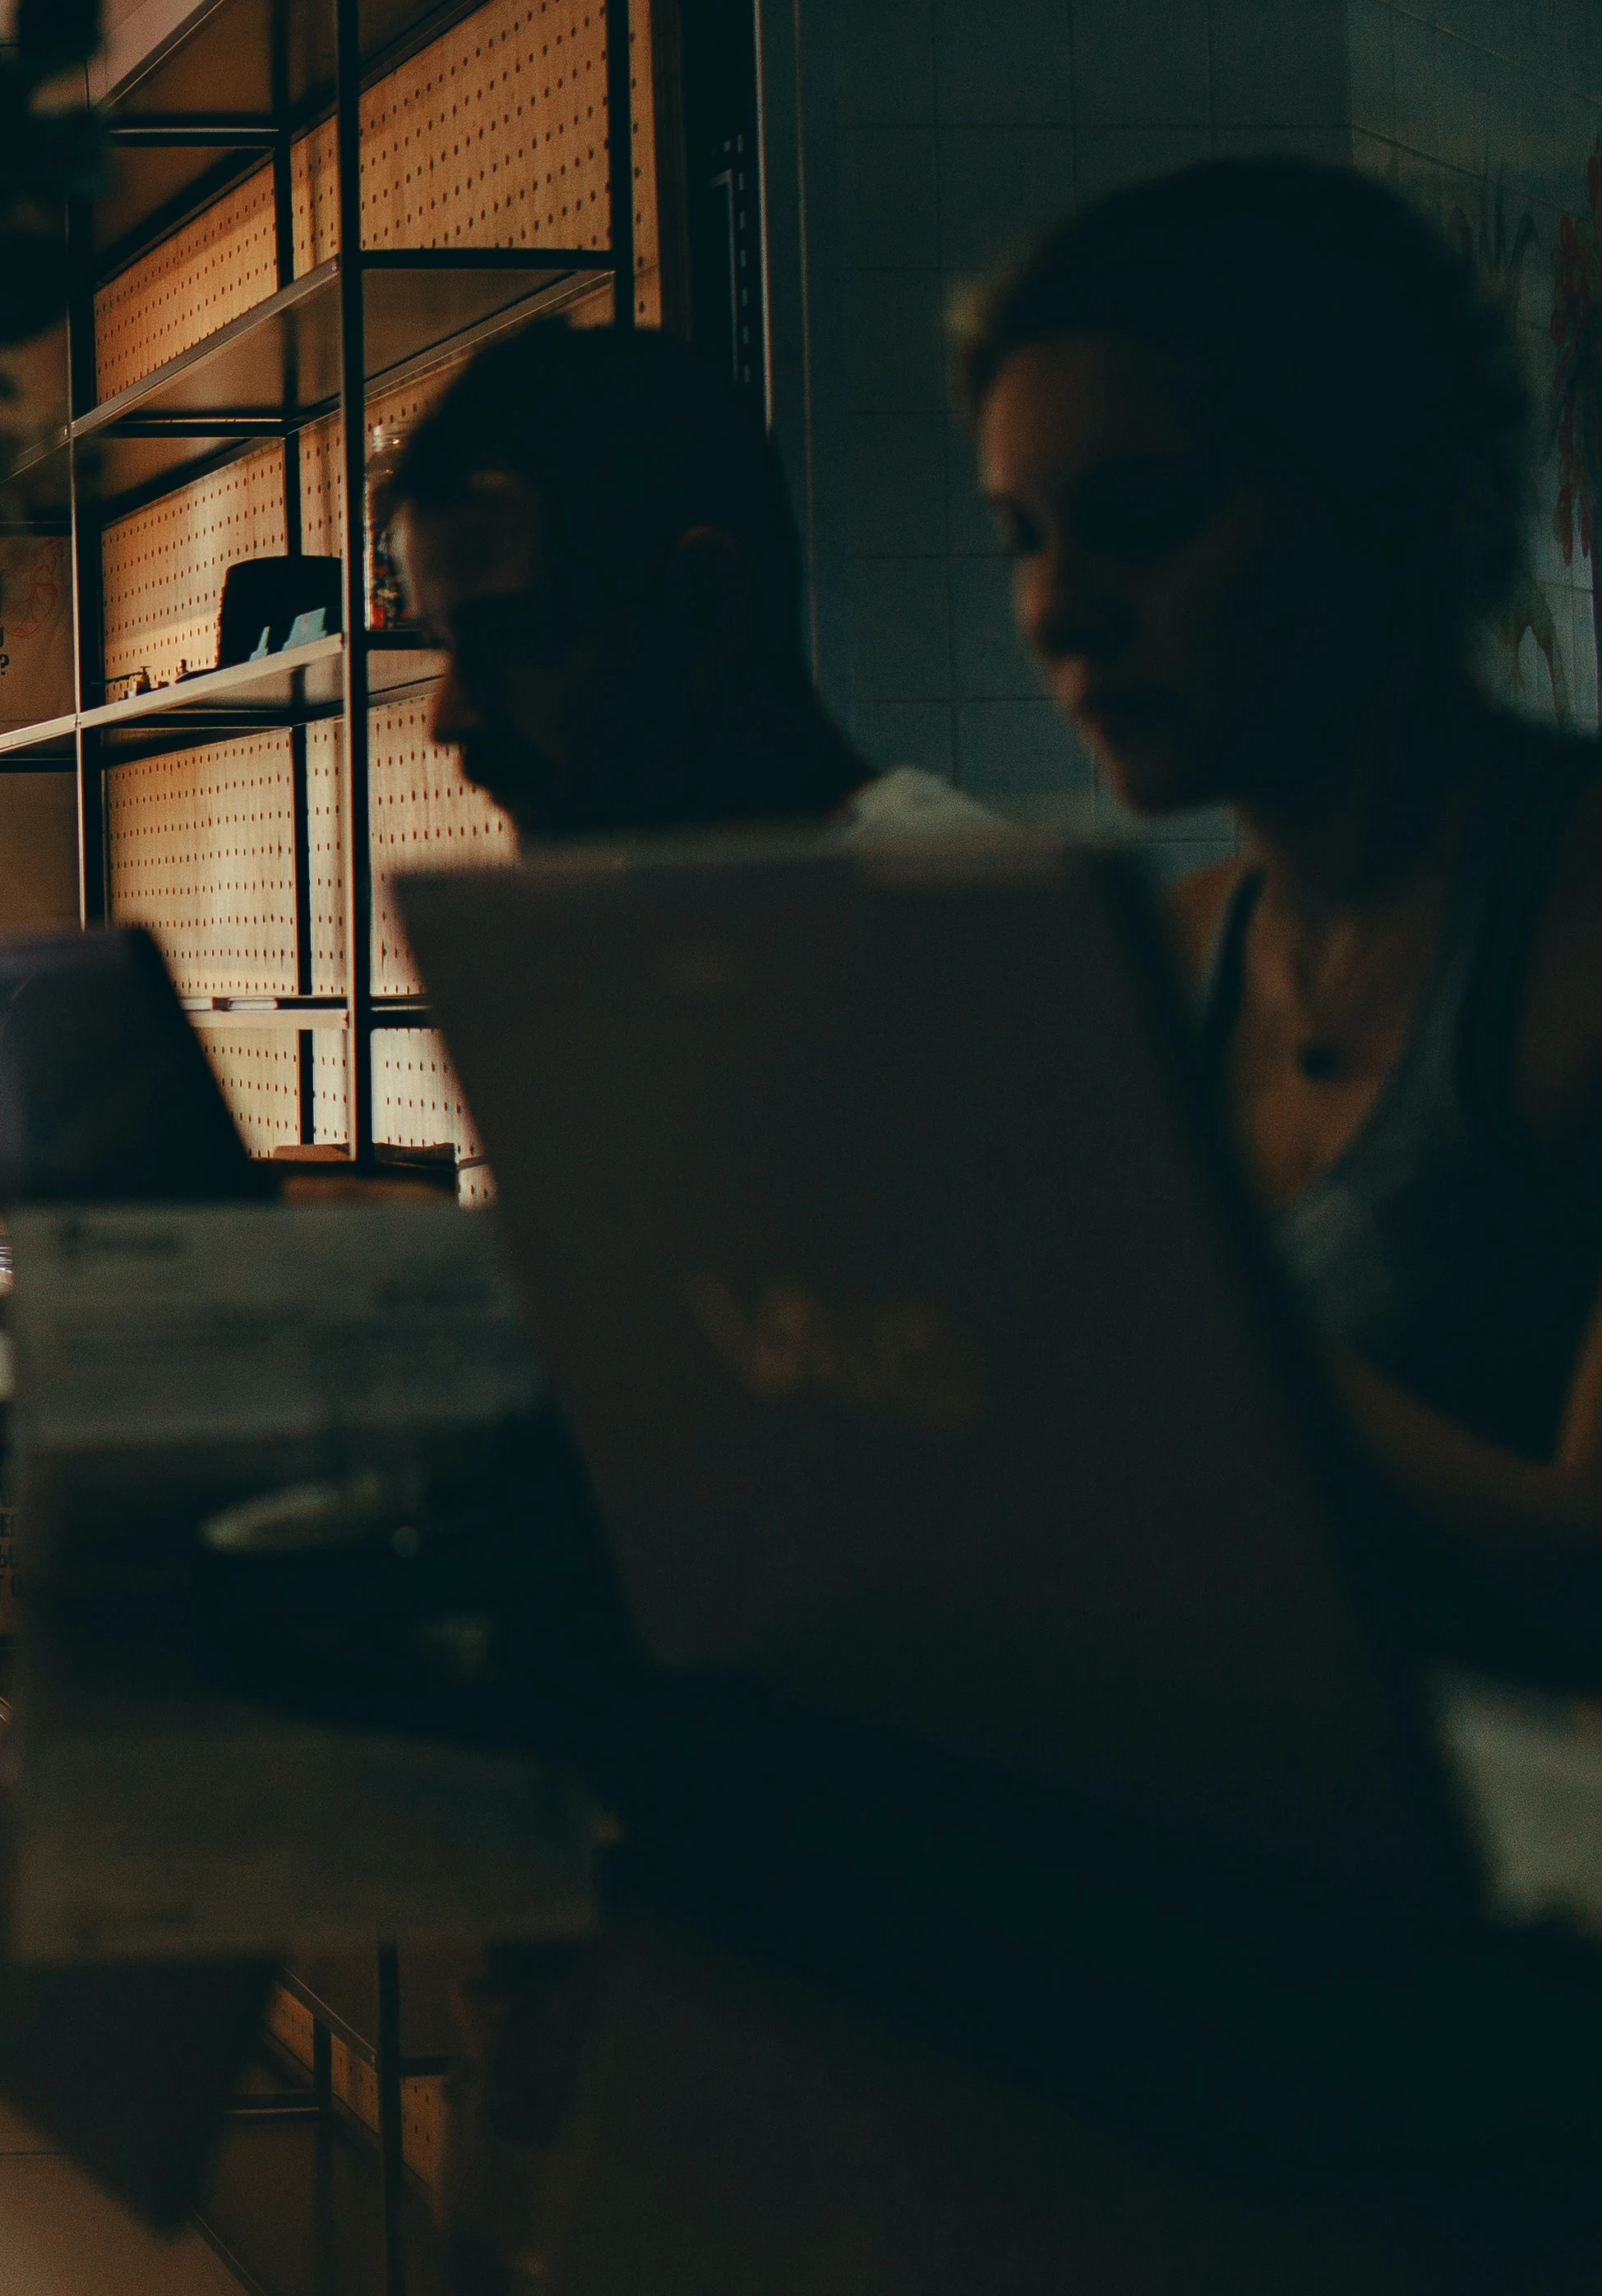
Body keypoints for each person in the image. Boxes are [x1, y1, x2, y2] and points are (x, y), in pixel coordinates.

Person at [960, 157, 1602, 1645]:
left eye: (1141, 514)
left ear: (1392, 497)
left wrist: (1185, 1312)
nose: (1058, 607)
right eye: (1023, 536)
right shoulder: (1167, 959)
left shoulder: (1567, 930)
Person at [381, 317, 1005, 847]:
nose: (449, 716)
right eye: (443, 645)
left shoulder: (960, 925)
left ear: (704, 604)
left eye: (510, 638)